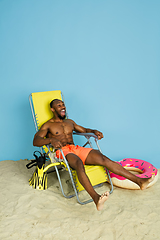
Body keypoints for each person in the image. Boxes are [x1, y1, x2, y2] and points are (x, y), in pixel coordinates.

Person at [33, 99, 154, 211]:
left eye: (63, 104)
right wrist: (50, 140)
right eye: (59, 105)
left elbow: (84, 130)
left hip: (76, 148)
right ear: (53, 109)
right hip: (63, 152)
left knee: (103, 158)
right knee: (78, 164)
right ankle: (96, 198)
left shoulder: (70, 122)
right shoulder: (48, 125)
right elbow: (36, 141)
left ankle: (139, 181)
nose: (62, 107)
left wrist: (93, 131)